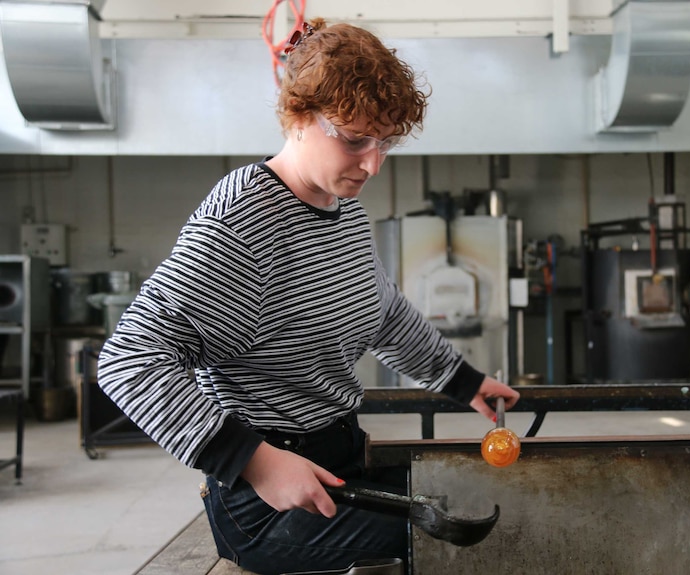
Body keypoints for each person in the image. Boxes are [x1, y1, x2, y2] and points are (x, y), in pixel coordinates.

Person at [97, 17, 520, 575]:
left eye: (385, 142)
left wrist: (463, 382)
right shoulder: (243, 220)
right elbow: (130, 362)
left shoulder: (343, 210)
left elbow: (383, 313)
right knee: (456, 550)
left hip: (343, 457)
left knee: (489, 509)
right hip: (266, 502)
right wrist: (257, 464)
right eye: (353, 139)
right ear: (298, 116)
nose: (373, 163)